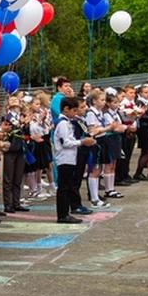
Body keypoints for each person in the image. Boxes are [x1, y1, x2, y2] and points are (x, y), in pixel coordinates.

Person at [54, 96, 94, 224]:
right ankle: (63, 214)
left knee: (66, 186)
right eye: (74, 110)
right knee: (64, 188)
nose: (75, 113)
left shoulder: (67, 122)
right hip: (64, 159)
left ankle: (65, 213)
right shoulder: (63, 123)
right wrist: (82, 142)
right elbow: (66, 142)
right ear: (66, 109)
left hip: (70, 158)